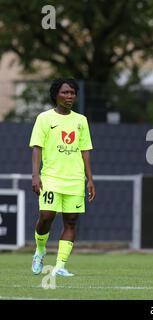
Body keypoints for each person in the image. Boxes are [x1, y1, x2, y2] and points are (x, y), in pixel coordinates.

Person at [30, 78, 96, 277]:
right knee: (47, 216)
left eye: (72, 93)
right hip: (50, 177)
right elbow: (37, 147)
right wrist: (35, 175)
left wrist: (90, 179)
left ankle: (60, 266)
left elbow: (85, 151)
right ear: (56, 95)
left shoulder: (80, 120)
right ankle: (40, 250)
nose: (69, 96)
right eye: (65, 92)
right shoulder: (44, 118)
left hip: (75, 180)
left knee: (71, 222)